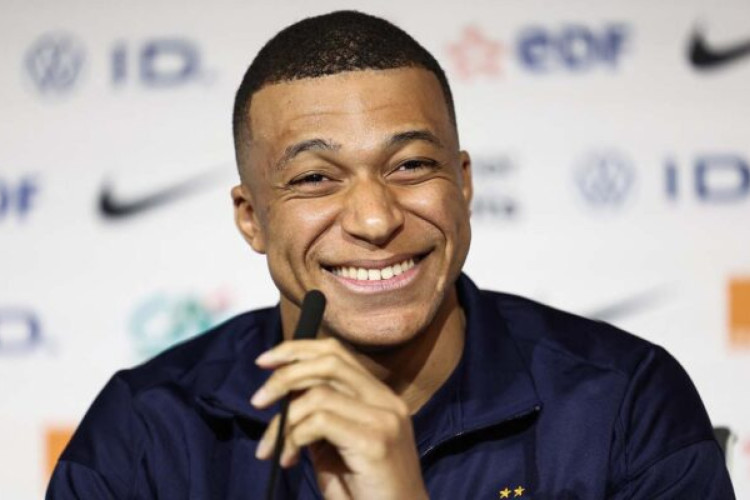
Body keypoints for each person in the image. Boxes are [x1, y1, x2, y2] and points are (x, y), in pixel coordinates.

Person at [48, 10, 735, 499]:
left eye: (410, 166)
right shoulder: (147, 434)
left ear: (463, 186)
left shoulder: (621, 404)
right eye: (316, 178)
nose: (376, 219)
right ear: (251, 218)